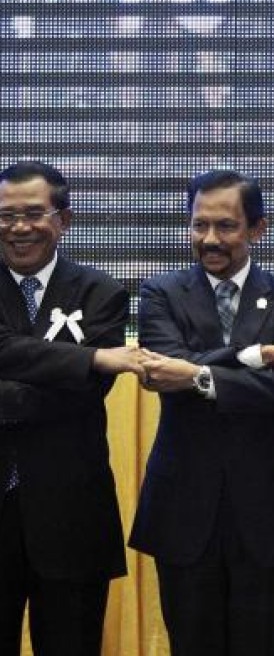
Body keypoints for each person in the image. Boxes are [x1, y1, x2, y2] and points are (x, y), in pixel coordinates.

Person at [129, 170, 274, 655]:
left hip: (270, 509)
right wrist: (265, 354)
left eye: (226, 226)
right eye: (199, 226)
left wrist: (197, 374)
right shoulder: (159, 293)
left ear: (258, 229)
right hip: (183, 507)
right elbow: (164, 378)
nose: (209, 239)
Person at [0, 161, 142, 656]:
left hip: (72, 514)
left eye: (34, 213)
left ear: (64, 219)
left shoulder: (101, 292)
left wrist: (82, 369)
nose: (19, 227)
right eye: (6, 215)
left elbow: (83, 394)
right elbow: (82, 374)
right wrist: (88, 359)